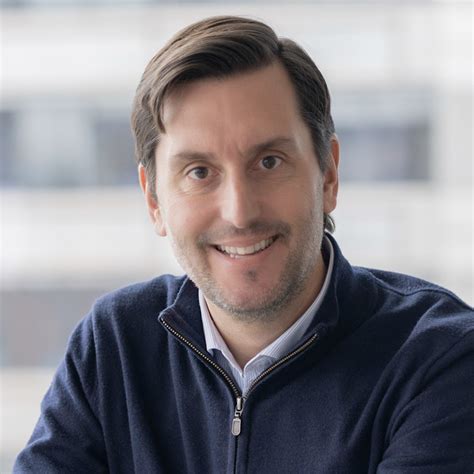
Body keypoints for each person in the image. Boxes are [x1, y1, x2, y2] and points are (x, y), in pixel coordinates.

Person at [14, 16, 473, 473]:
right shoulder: (114, 345)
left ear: (328, 176)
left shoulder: (440, 358)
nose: (239, 212)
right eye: (199, 172)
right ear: (153, 200)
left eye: (269, 162)